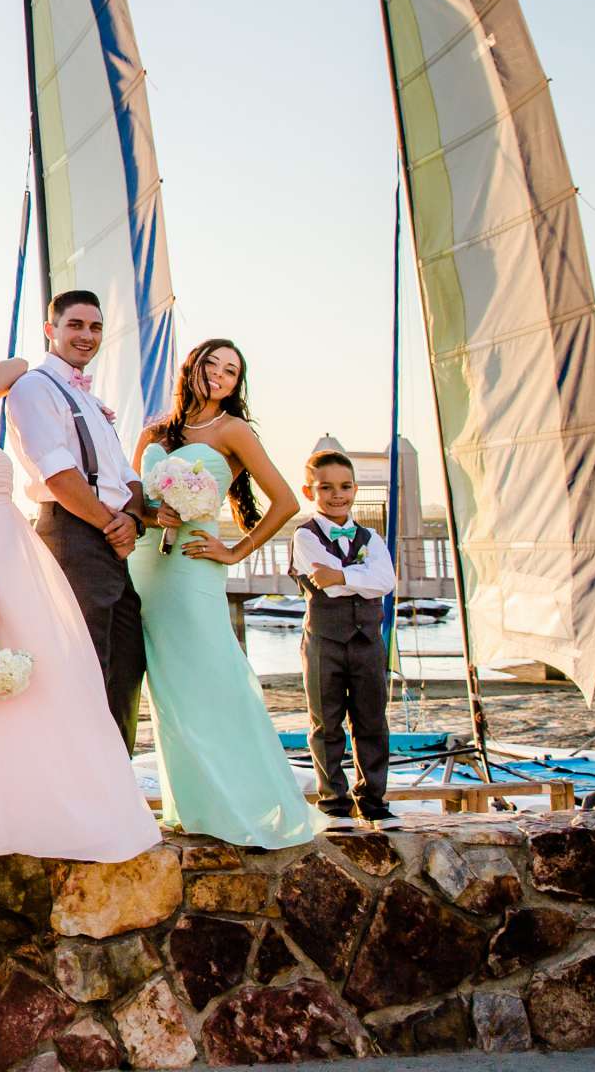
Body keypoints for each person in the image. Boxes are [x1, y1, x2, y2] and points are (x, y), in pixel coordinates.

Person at [0, 334, 158, 863]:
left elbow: (15, 364)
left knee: (35, 684)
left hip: (7, 556)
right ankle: (1, 816)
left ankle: (35, 806)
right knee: (0, 690)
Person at [122, 338, 324, 849]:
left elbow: (284, 500)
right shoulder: (151, 432)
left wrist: (236, 552)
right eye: (211, 364)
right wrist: (152, 513)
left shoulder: (233, 431)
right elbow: (131, 499)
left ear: (237, 384)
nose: (219, 375)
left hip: (193, 565)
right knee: (167, 689)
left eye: (231, 371)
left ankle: (244, 804)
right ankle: (192, 806)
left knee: (211, 675)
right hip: (145, 565)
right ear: (191, 368)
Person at [0, 291, 147, 748]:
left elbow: (127, 476)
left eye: (95, 327)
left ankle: (114, 776)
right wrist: (112, 524)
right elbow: (59, 474)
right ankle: (87, 784)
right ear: (51, 330)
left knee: (125, 660)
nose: (87, 335)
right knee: (85, 664)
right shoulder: (34, 388)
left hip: (110, 537)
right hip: (72, 534)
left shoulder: (93, 401)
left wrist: (134, 521)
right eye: (76, 325)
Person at [291, 449, 397, 823]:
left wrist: (343, 576)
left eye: (345, 486)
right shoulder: (305, 537)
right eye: (326, 487)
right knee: (326, 724)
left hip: (368, 643)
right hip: (324, 642)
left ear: (355, 488)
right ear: (310, 491)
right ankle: (333, 802)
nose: (338, 494)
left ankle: (373, 800)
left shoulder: (372, 537)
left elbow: (386, 582)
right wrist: (356, 579)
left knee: (371, 721)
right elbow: (328, 587)